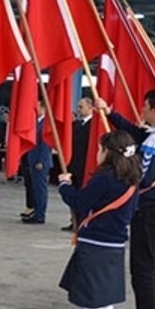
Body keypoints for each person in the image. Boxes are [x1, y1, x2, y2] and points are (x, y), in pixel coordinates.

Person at [94, 89, 155, 309]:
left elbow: (142, 178)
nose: (141, 110)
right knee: (147, 267)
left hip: (148, 211)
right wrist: (110, 113)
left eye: (145, 106)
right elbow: (137, 133)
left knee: (143, 269)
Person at [57, 130, 141, 309]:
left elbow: (80, 202)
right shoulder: (132, 178)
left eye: (100, 149)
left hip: (96, 244)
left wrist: (65, 186)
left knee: (92, 301)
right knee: (105, 300)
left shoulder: (105, 178)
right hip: (114, 244)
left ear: (109, 153)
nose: (97, 153)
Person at [64, 98, 94, 231]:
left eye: (81, 107)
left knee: (84, 195)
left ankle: (82, 220)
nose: (78, 109)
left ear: (90, 107)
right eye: (78, 106)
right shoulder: (75, 124)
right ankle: (74, 220)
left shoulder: (94, 125)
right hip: (74, 164)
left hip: (85, 166)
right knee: (73, 193)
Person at [22, 103, 53, 224]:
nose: (36, 109)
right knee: (34, 187)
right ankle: (35, 211)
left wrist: (41, 160)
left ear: (44, 108)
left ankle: (40, 214)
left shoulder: (46, 123)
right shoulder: (36, 122)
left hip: (40, 161)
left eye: (38, 106)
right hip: (32, 158)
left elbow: (46, 144)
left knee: (40, 188)